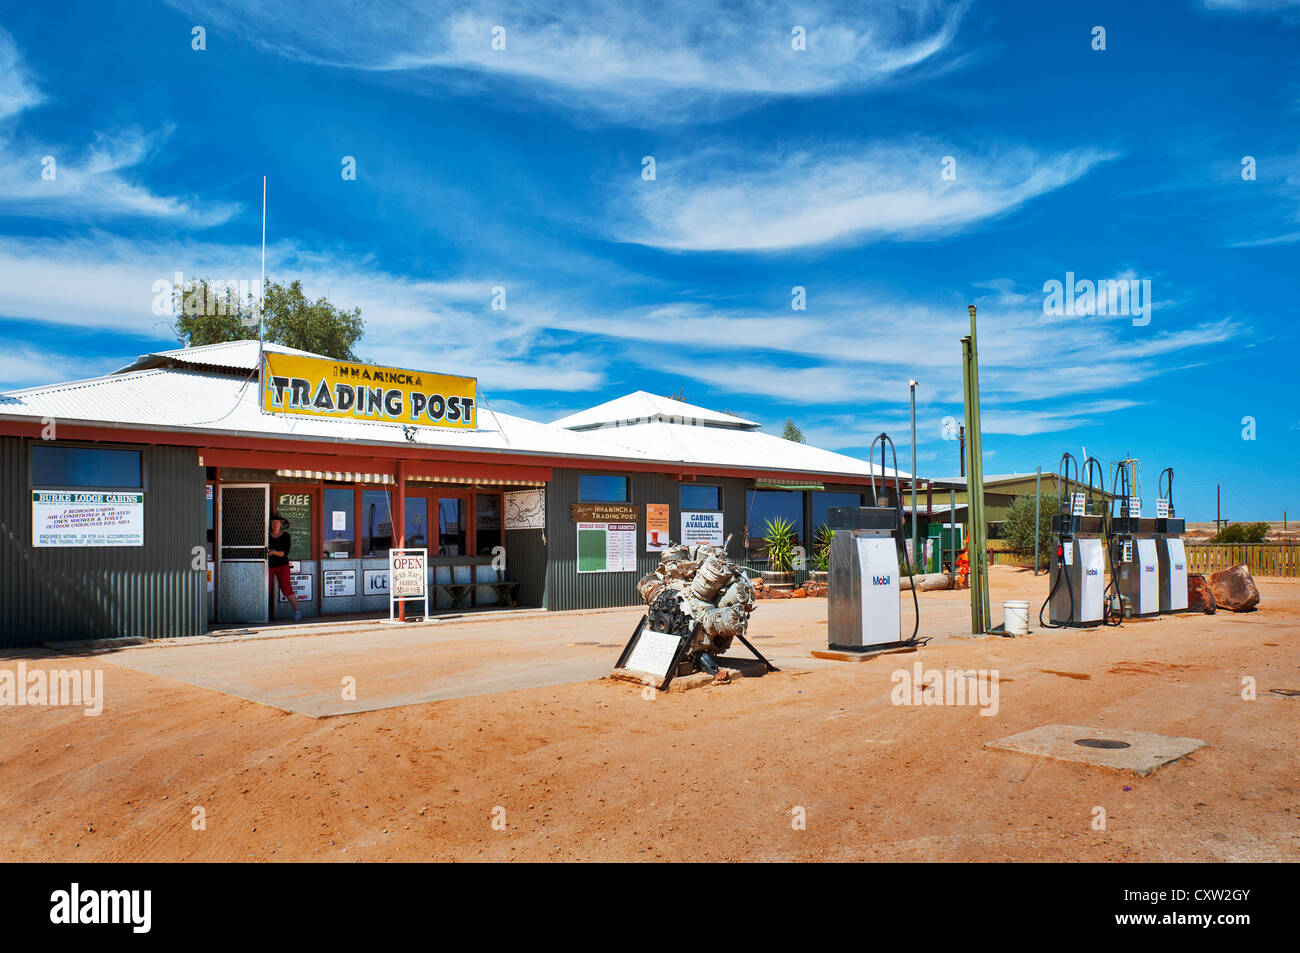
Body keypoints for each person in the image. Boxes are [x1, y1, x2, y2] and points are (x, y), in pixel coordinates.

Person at [268, 513, 302, 621]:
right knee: (265, 589)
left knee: (287, 588)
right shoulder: (266, 535)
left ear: (281, 524)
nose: (275, 524)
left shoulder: (286, 536)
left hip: (282, 566)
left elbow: (285, 552)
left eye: (277, 522)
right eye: (273, 522)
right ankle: (261, 613)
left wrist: (273, 552)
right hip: (268, 566)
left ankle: (297, 612)